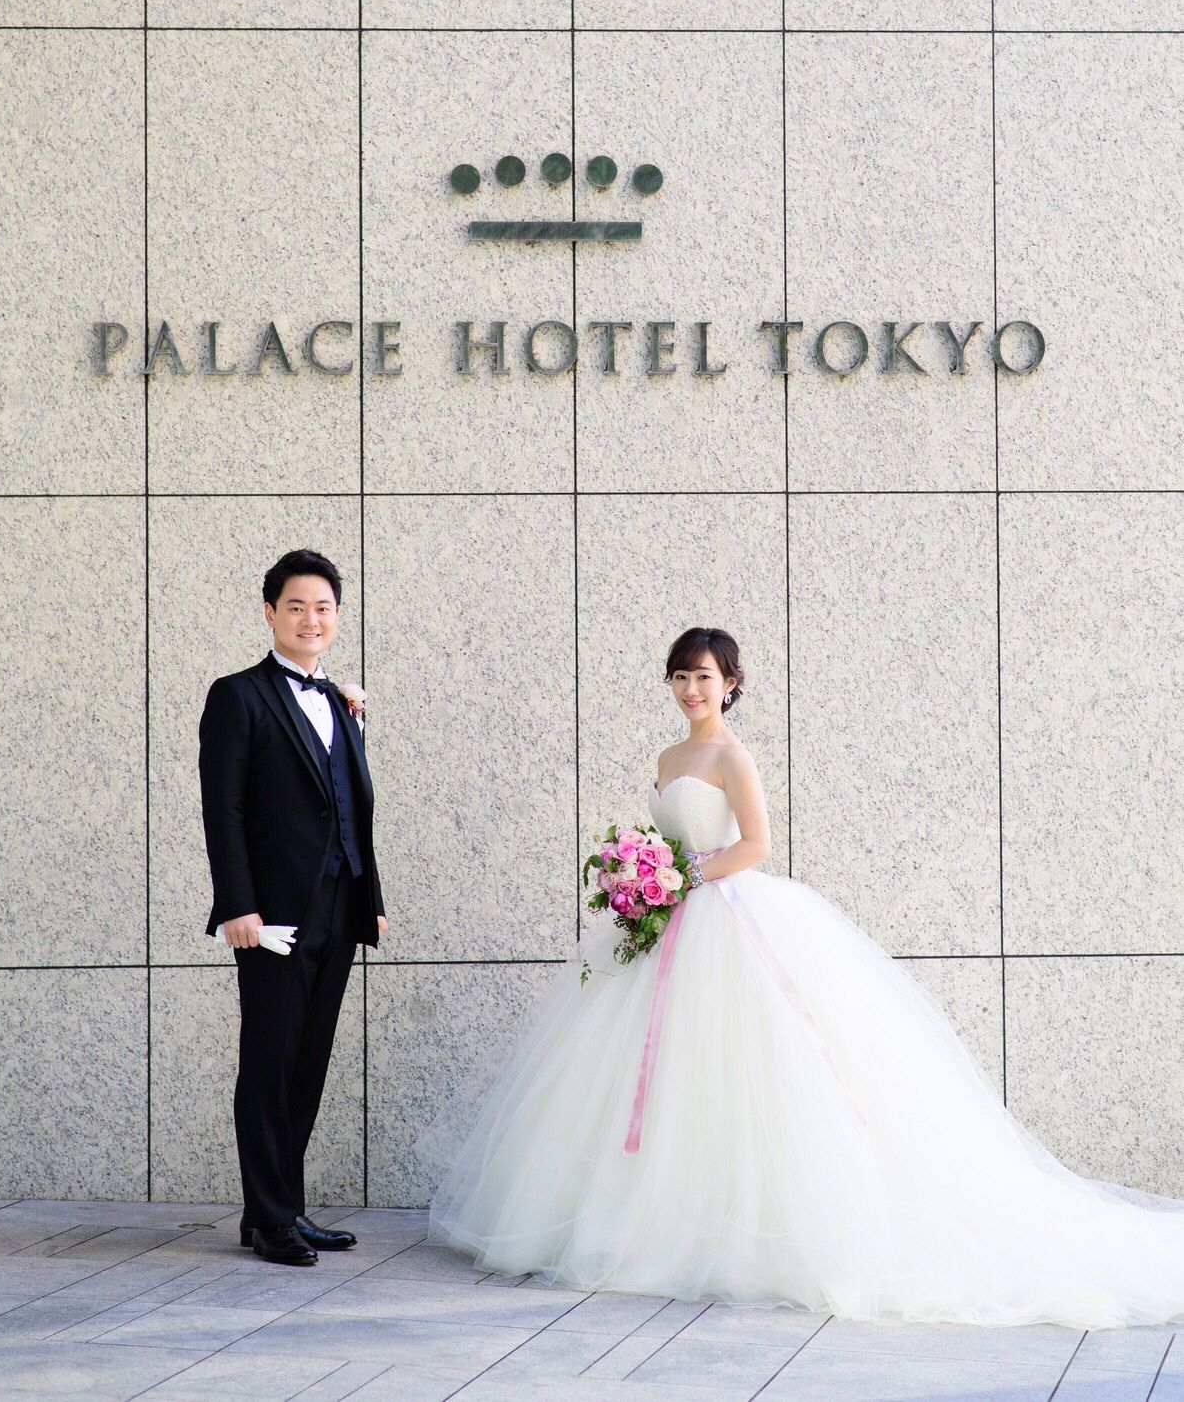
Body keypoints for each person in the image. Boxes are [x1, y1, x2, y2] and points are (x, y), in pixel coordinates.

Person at [425, 625, 1184, 1327]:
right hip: (671, 921)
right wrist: (644, 875)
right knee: (660, 1074)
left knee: (749, 1066)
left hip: (724, 915)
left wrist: (684, 877)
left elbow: (755, 844)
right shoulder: (666, 759)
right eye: (681, 677)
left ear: (730, 683)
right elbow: (663, 836)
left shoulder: (732, 757)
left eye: (704, 677)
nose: (691, 689)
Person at [199, 548, 386, 1266]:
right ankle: (271, 1217)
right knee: (269, 1061)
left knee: (308, 1062)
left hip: (340, 905)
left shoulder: (339, 700)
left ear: (337, 616)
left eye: (324, 608)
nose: (312, 619)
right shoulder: (237, 696)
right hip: (271, 915)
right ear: (270, 612)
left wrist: (371, 898)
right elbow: (224, 808)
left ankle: (281, 1210)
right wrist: (236, 906)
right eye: (297, 606)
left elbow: (354, 807)